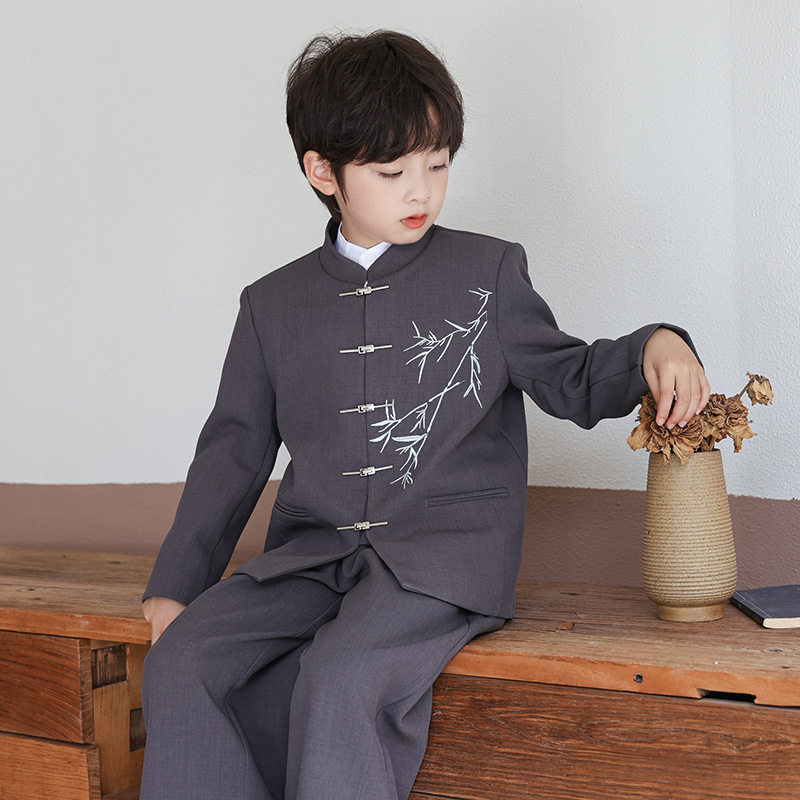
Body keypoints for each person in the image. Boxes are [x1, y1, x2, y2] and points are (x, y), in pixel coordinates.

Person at [140, 30, 709, 800]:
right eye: (392, 171)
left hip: (444, 563)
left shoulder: (487, 271)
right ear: (322, 171)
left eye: (437, 165)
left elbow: (570, 377)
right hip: (312, 556)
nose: (421, 192)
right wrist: (175, 584)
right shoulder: (271, 304)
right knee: (181, 661)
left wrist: (657, 344)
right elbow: (233, 450)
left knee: (340, 678)